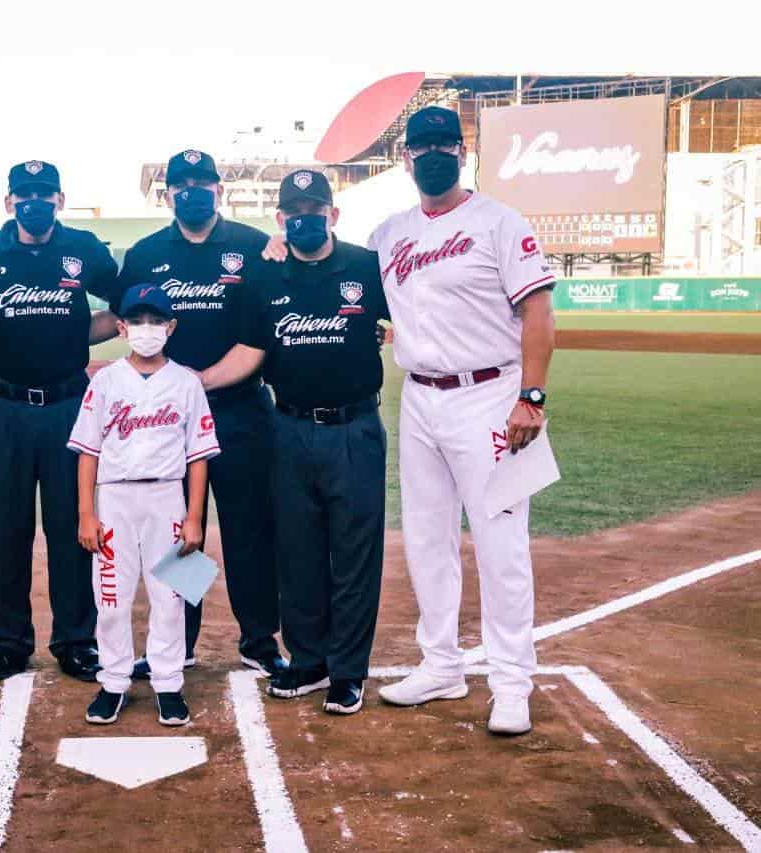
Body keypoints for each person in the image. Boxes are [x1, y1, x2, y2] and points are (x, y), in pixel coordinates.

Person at [367, 106, 555, 735]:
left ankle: (510, 682)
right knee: (426, 537)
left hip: (491, 395)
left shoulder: (499, 222)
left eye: (447, 143)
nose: (435, 154)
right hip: (419, 397)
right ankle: (441, 664)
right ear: (405, 157)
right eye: (423, 146)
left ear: (463, 149)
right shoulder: (389, 233)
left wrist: (532, 396)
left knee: (501, 544)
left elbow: (537, 314)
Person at [204, 169, 389, 715]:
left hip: (354, 427)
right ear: (281, 220)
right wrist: (195, 383)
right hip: (285, 428)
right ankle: (307, 659)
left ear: (333, 214)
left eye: (316, 209)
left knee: (353, 553)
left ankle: (347, 670)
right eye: (294, 212)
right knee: (298, 549)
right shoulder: (266, 276)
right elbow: (251, 350)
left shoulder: (364, 266)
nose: (305, 218)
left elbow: (408, 317)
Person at [112, 149, 287, 680]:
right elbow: (130, 328)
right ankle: (178, 642)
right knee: (180, 534)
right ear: (168, 194)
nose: (192, 190)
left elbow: (261, 335)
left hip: (239, 412)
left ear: (220, 190)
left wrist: (197, 384)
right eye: (181, 183)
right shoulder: (145, 254)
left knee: (249, 531)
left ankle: (259, 639)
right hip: (168, 424)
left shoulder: (254, 247)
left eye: (202, 182)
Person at [0, 160, 118, 682]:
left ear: (60, 200)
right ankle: (7, 642)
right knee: (5, 532)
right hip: (6, 408)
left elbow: (123, 304)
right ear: (9, 202)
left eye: (44, 194)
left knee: (72, 527)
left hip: (68, 405)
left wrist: (73, 337)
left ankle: (76, 640)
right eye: (24, 194)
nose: (34, 202)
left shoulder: (83, 248)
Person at [69, 283, 219, 726]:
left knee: (171, 596)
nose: (146, 329)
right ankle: (114, 679)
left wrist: (194, 517)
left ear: (171, 326)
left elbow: (198, 456)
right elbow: (88, 452)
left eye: (156, 321)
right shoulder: (106, 381)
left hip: (168, 497)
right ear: (120, 327)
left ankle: (168, 682)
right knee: (111, 598)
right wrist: (86, 513)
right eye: (137, 320)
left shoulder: (187, 382)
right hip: (115, 498)